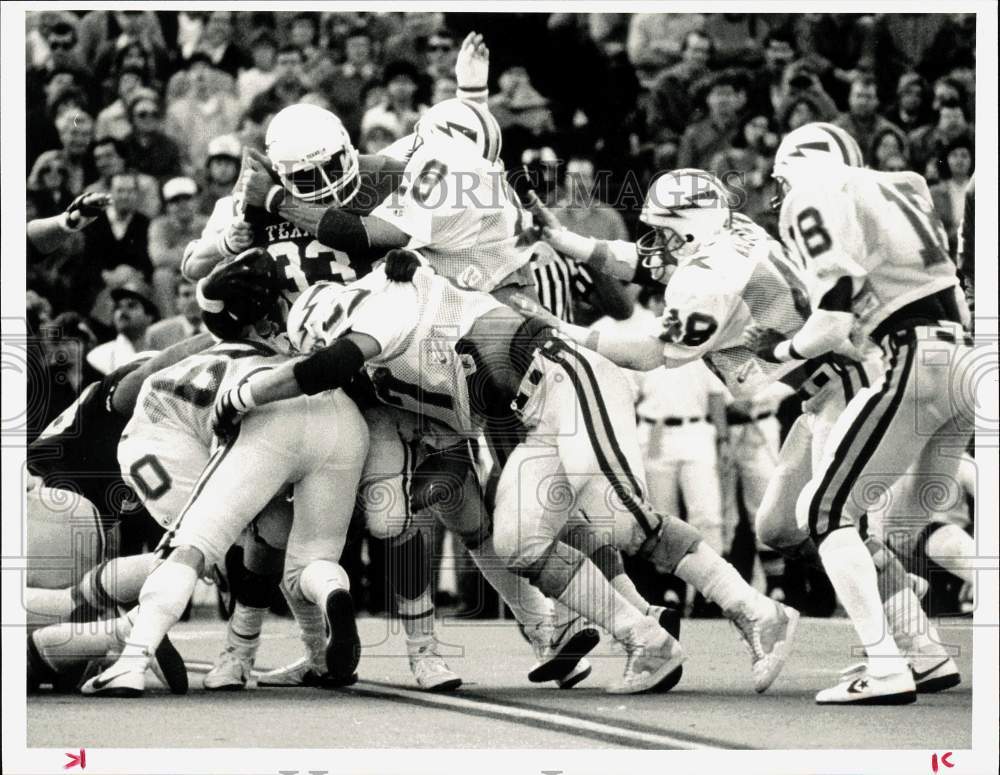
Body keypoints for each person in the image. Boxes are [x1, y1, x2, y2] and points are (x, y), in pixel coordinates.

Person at [211, 248, 797, 696]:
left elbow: (326, 364)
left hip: (567, 383)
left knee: (628, 523)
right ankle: (647, 641)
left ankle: (757, 612)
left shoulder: (367, 318)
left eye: (301, 332)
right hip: (529, 412)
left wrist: (243, 395)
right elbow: (405, 276)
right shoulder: (382, 289)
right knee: (520, 544)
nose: (292, 340)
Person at [531, 162, 959, 702]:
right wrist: (565, 239)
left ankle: (912, 645)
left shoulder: (705, 277)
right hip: (824, 392)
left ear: (689, 225)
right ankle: (898, 594)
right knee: (781, 527)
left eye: (664, 227)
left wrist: (559, 329)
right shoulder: (733, 231)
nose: (656, 240)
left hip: (843, 389)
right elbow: (645, 262)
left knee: (831, 521)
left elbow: (648, 353)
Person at [755, 121, 974, 703]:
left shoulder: (813, 192)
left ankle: (883, 667)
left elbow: (830, 323)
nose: (780, 192)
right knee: (907, 528)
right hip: (967, 361)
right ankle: (923, 656)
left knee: (823, 512)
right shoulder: (902, 183)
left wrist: (780, 349)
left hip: (914, 358)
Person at [82, 259, 369, 697]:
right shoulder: (295, 330)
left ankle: (131, 661)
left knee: (191, 549)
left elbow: (123, 398)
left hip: (187, 432)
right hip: (337, 412)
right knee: (297, 552)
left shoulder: (196, 350)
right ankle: (315, 624)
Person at [148, 177, 207, 314]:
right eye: (175, 201)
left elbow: (217, 254)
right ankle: (170, 321)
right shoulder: (159, 225)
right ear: (167, 206)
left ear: (196, 201)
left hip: (202, 272)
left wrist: (177, 253)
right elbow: (159, 257)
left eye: (186, 199)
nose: (182, 204)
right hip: (174, 274)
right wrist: (196, 254)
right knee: (161, 276)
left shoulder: (206, 222)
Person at [84, 172, 153, 278]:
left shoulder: (145, 223)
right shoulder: (94, 222)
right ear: (110, 193)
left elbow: (147, 263)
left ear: (136, 194)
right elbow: (88, 261)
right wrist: (106, 276)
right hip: (101, 285)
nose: (125, 196)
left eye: (130, 191)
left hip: (135, 284)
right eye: (120, 191)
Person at [86, 281, 157, 375]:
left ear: (149, 316)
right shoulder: (99, 356)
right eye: (117, 307)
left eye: (131, 305)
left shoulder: (162, 349)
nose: (122, 311)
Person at [832, 75, 904, 166]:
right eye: (859, 96)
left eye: (868, 97)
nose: (863, 102)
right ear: (849, 99)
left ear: (877, 101)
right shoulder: (835, 130)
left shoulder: (891, 133)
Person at [929, 134, 974, 258]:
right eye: (954, 155)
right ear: (947, 159)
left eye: (964, 155)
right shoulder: (935, 193)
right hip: (946, 253)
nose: (959, 160)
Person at [146, 275, 203, 350]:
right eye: (186, 295)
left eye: (198, 294)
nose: (193, 300)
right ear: (176, 300)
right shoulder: (158, 334)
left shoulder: (220, 326)